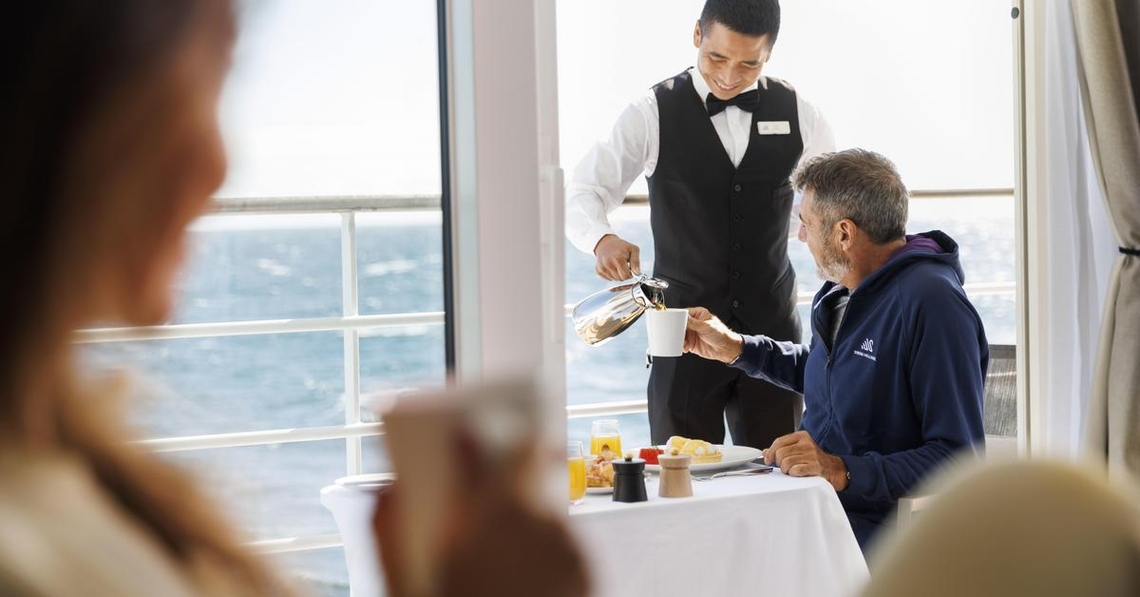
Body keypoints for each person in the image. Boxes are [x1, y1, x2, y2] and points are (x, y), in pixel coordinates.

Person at [0, 2, 587, 595]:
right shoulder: (32, 553)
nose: (217, 166)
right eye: (207, 73)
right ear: (77, 85)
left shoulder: (64, 472)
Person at [683, 148, 987, 552]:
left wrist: (841, 470)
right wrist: (737, 348)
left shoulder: (933, 304)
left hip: (880, 534)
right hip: (815, 508)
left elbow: (958, 459)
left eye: (806, 223)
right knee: (699, 535)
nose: (801, 236)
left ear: (844, 234)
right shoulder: (840, 292)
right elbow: (831, 373)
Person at [566, 0, 835, 450]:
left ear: (769, 53)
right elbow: (583, 190)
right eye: (717, 57)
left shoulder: (801, 113)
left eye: (749, 64)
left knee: (779, 471)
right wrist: (601, 238)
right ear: (697, 35)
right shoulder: (651, 111)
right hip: (680, 333)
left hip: (771, 336)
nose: (730, 76)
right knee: (680, 474)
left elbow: (826, 206)